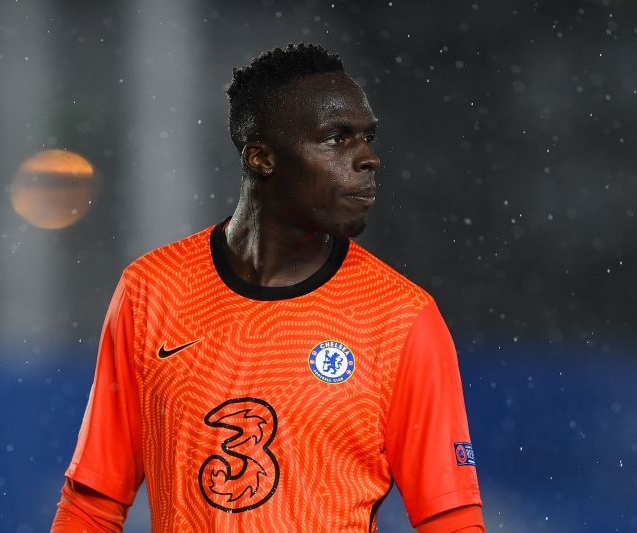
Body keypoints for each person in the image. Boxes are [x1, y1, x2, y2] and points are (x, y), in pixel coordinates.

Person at [51, 43, 484, 532]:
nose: (368, 158)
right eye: (337, 138)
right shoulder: (152, 290)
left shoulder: (401, 316)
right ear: (261, 158)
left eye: (368, 137)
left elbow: (450, 519)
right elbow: (93, 504)